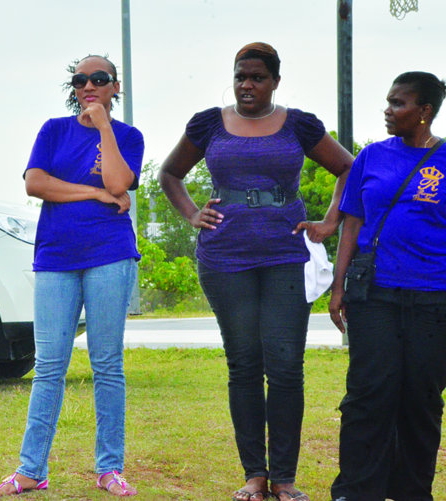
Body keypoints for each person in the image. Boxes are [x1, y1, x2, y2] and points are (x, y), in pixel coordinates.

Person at [158, 43, 353, 501]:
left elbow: (348, 167)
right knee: (244, 365)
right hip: (225, 259)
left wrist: (330, 221)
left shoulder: (298, 124)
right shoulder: (208, 124)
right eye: (241, 76)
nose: (247, 85)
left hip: (287, 256)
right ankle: (255, 476)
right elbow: (170, 174)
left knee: (285, 367)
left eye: (258, 78)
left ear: (275, 82)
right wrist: (191, 214)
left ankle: (284, 478)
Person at [0, 55, 144, 497]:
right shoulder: (53, 130)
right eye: (80, 79)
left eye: (99, 79)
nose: (89, 85)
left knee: (107, 365)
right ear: (72, 87)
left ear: (115, 86)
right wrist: (91, 191)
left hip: (110, 255)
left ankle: (109, 468)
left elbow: (119, 184)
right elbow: (36, 183)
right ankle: (31, 469)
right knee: (49, 366)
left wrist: (105, 129)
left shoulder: (129, 136)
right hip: (56, 257)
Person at [329, 72, 446, 501]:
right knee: (367, 396)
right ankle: (356, 491)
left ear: (425, 112)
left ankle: (413, 491)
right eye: (388, 101)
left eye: (399, 103)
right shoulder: (371, 157)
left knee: (421, 400)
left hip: (434, 298)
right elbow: (352, 220)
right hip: (374, 294)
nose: (388, 109)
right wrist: (337, 285)